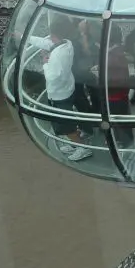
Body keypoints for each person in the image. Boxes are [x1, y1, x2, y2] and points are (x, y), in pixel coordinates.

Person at [26, 17, 92, 161]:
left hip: (59, 96)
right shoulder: (67, 44)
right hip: (67, 89)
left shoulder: (57, 54)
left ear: (54, 34)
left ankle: (83, 148)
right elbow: (47, 44)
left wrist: (45, 63)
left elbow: (52, 77)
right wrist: (27, 37)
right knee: (67, 119)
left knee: (65, 126)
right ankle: (76, 144)